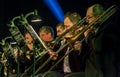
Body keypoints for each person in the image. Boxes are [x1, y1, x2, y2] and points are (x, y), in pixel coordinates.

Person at [83, 4, 120, 77]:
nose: (87, 22)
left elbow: (98, 46)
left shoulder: (109, 27)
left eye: (89, 18)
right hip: (96, 71)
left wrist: (88, 36)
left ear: (98, 17)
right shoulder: (96, 32)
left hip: (108, 72)